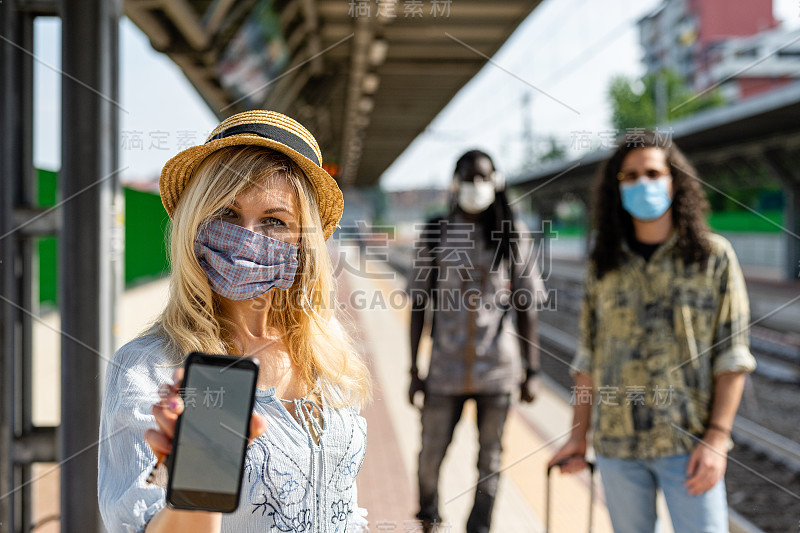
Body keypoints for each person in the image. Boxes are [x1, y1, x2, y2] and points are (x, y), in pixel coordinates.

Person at [97, 110, 372, 533]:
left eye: (274, 221)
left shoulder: (330, 359)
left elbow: (345, 507)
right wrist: (202, 474)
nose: (247, 237)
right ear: (196, 222)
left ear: (304, 242)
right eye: (227, 215)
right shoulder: (153, 370)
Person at [548, 132, 756, 533]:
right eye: (629, 176)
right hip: (616, 448)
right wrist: (578, 437)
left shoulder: (713, 259)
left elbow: (733, 357)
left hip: (688, 446)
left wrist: (716, 438)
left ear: (674, 180)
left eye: (653, 172)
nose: (642, 183)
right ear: (617, 188)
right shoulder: (603, 266)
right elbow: (587, 358)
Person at [408, 150, 544, 533]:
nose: (475, 186)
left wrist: (531, 370)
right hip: (444, 371)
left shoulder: (511, 233)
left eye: (483, 178)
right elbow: (419, 302)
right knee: (430, 456)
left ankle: (479, 528)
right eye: (468, 178)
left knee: (491, 461)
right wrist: (412, 369)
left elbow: (526, 304)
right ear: (455, 183)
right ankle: (429, 517)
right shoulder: (435, 232)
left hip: (497, 372)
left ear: (496, 181)